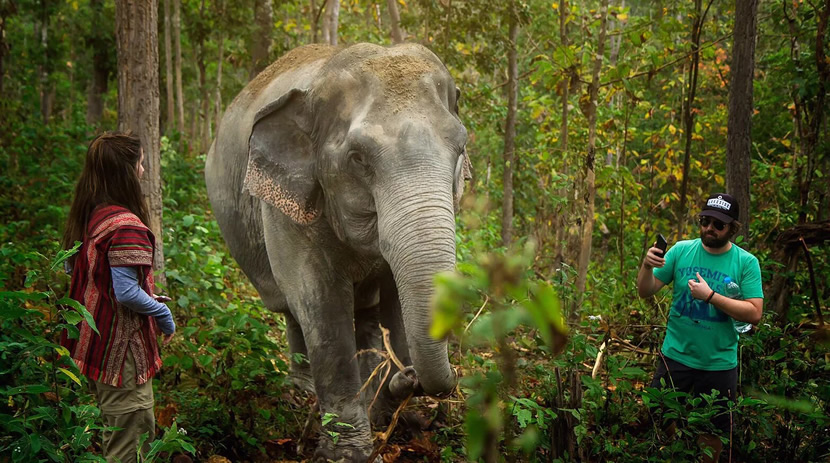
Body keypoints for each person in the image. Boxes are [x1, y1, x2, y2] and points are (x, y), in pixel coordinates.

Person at [60, 132, 176, 463]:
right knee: (131, 442)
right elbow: (125, 293)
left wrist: (148, 295)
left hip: (98, 345)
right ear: (125, 172)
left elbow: (78, 271)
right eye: (139, 164)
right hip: (121, 354)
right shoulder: (126, 226)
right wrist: (161, 315)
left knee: (117, 431)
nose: (143, 171)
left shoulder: (92, 213)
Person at [637, 193, 763, 462]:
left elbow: (754, 313)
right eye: (706, 221)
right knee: (660, 416)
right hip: (675, 356)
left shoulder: (746, 262)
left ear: (732, 228)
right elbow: (645, 291)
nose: (710, 228)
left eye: (718, 224)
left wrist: (710, 296)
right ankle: (669, 454)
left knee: (712, 431)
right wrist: (647, 266)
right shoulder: (682, 251)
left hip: (718, 363)